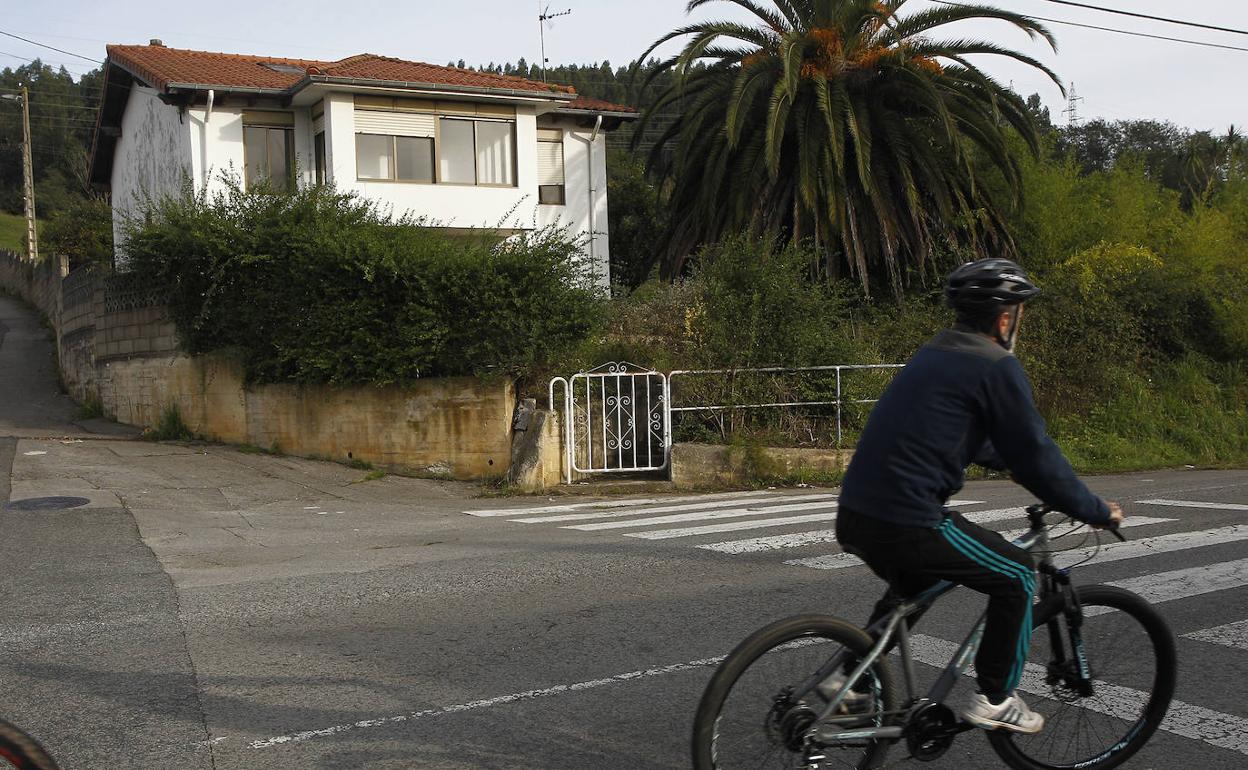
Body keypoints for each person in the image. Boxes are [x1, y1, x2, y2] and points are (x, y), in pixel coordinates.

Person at [832, 258, 1124, 734]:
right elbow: (1035, 454)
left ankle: (849, 682)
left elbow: (950, 431)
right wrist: (1092, 508)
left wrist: (1003, 460)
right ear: (1005, 317)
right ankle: (995, 697)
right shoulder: (996, 366)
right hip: (909, 521)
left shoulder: (934, 354)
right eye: (1019, 312)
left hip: (857, 514)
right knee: (1016, 573)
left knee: (916, 587)